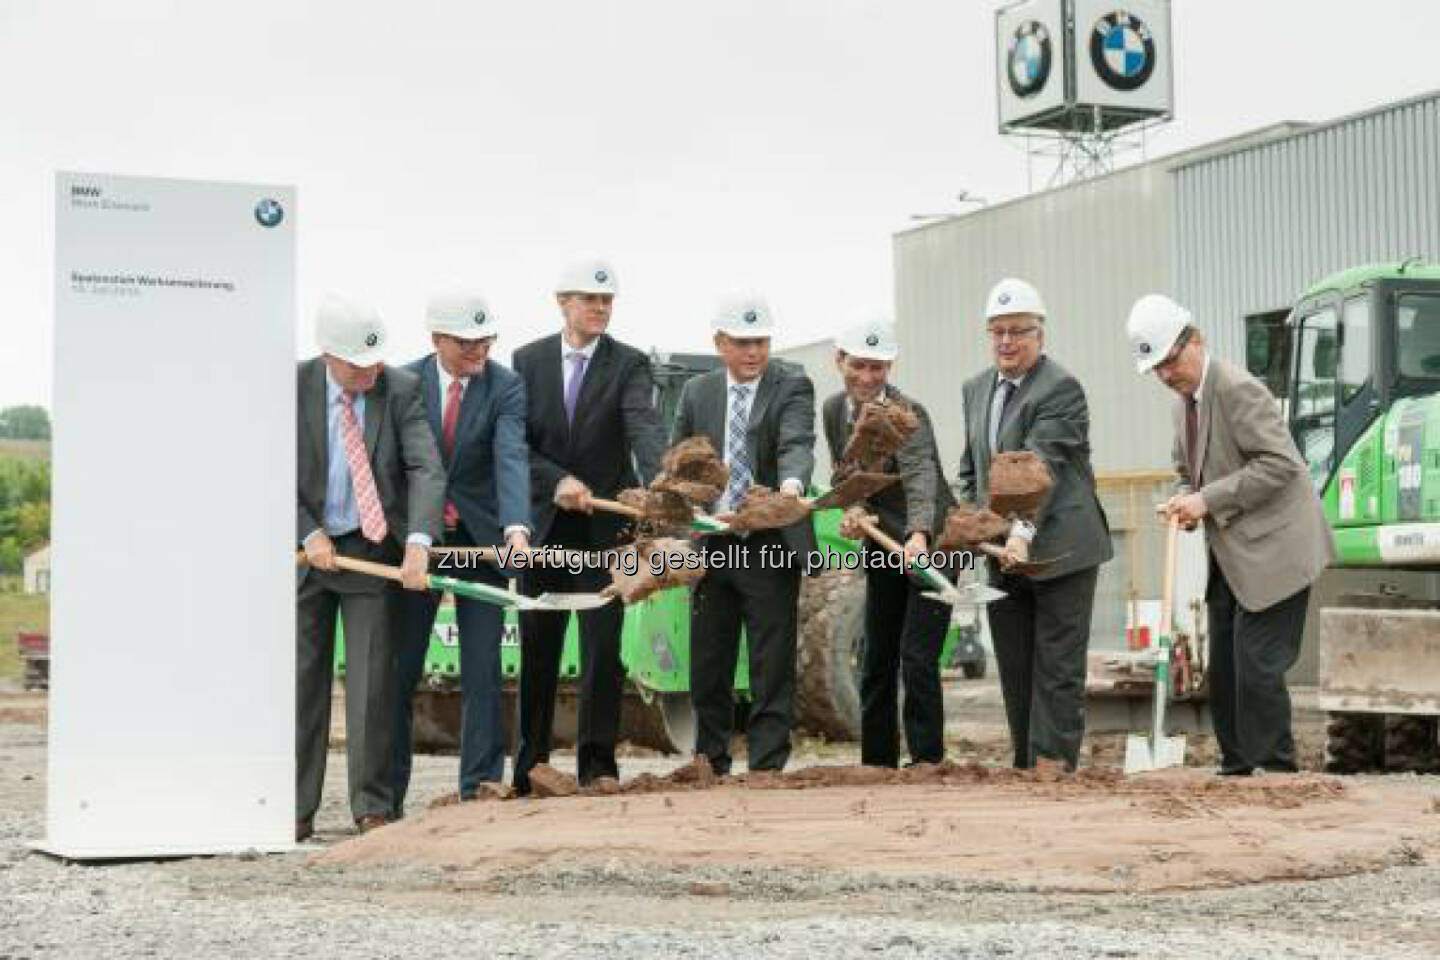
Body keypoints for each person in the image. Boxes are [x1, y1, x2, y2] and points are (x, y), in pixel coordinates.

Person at [1127, 293, 1334, 775]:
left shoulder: (1239, 389)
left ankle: (1276, 772)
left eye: (1169, 361)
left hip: (1279, 550)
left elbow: (1282, 466)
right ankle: (1237, 766)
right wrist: (1184, 498)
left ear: (1196, 341)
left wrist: (1209, 499)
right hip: (1233, 554)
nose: (1165, 374)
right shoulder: (1182, 406)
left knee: (1258, 665)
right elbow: (1186, 470)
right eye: (1155, 368)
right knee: (1223, 666)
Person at [510, 259, 666, 793]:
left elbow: (643, 427)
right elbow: (515, 445)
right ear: (563, 302)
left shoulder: (629, 364)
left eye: (607, 301)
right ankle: (529, 769)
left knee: (603, 652)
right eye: (590, 299)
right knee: (538, 650)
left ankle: (597, 769)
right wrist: (556, 480)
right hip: (546, 530)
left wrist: (661, 481)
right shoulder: (525, 362)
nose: (600, 308)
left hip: (608, 533)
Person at [296, 295, 444, 841]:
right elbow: (267, 469)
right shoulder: (292, 388)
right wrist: (306, 531)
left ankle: (373, 807)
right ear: (328, 355)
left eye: (377, 357)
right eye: (361, 361)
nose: (373, 368)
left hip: (369, 550)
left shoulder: (398, 389)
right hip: (307, 556)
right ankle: (294, 807)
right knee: (301, 684)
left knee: (372, 686)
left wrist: (420, 542)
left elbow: (426, 466)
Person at [955, 278, 1112, 772]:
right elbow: (972, 469)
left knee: (1057, 668)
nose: (1006, 341)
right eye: (997, 331)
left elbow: (1043, 467)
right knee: (1017, 668)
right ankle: (1026, 766)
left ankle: (1054, 767)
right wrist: (973, 529)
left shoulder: (1060, 389)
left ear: (1039, 334)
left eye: (1018, 330)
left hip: (1059, 549)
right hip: (1003, 556)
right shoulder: (975, 389)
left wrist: (1021, 533)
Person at [390, 292, 531, 815]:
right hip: (415, 544)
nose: (479, 350)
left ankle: (480, 790)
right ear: (436, 340)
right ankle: (384, 798)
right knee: (400, 669)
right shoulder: (401, 383)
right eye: (466, 341)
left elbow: (511, 455)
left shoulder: (505, 385)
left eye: (486, 339)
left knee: (482, 668)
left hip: (482, 541)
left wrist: (516, 528)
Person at [671, 296, 817, 774]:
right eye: (742, 342)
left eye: (761, 341)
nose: (754, 351)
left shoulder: (791, 384)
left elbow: (797, 443)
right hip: (711, 544)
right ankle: (710, 760)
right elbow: (679, 458)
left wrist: (789, 492)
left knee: (770, 661)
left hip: (770, 543)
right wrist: (689, 499)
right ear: (719, 343)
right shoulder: (697, 393)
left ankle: (768, 766)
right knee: (708, 660)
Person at [825, 316, 954, 767]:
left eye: (878, 367)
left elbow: (921, 476)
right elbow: (846, 474)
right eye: (859, 365)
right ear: (839, 361)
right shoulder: (833, 410)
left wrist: (919, 534)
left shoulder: (907, 414)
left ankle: (926, 762)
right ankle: (877, 763)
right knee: (876, 654)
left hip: (933, 542)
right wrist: (851, 508)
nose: (867, 377)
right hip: (882, 541)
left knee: (916, 656)